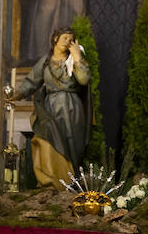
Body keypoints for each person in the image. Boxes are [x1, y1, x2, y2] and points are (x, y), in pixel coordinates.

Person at [13, 27, 91, 188]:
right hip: (51, 109)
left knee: (72, 145)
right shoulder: (45, 62)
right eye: (64, 38)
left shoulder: (74, 60)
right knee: (47, 139)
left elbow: (83, 80)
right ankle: (50, 181)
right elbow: (30, 82)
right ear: (55, 39)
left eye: (71, 39)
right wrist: (17, 94)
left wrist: (77, 57)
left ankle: (71, 181)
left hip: (72, 108)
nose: (68, 42)